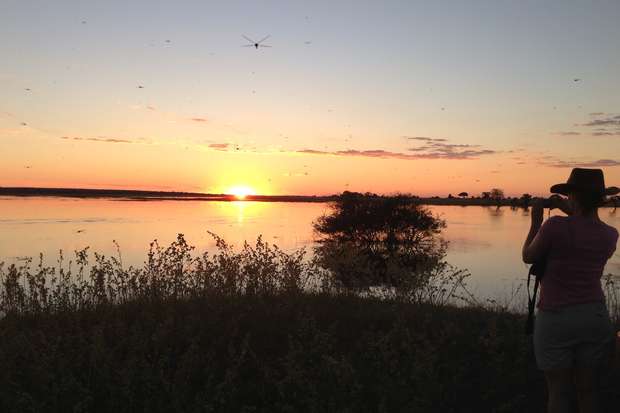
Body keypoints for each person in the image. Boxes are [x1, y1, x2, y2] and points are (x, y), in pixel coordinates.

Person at [522, 168, 619, 413]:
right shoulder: (610, 234)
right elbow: (583, 228)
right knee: (588, 390)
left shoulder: (554, 226)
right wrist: (571, 211)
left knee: (559, 392)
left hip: (556, 317)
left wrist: (535, 222)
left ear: (572, 196)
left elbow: (528, 256)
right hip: (594, 316)